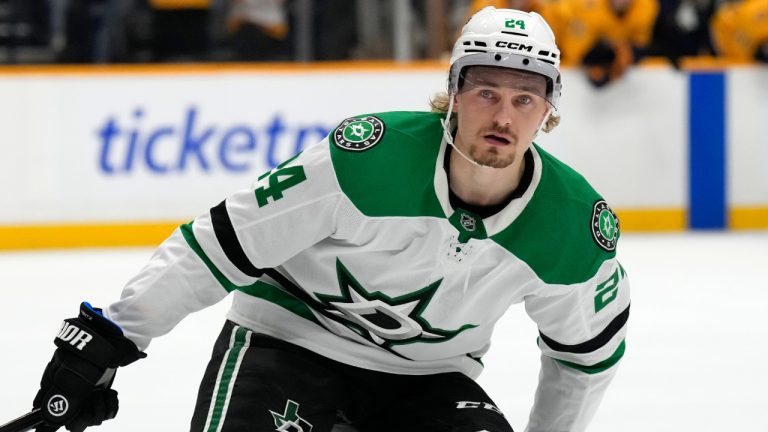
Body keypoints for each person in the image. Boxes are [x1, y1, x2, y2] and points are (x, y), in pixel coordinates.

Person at [30, 7, 630, 432]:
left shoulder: (573, 226)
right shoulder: (367, 160)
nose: (503, 116)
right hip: (289, 342)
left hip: (431, 380)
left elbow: (585, 358)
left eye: (525, 99)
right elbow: (222, 243)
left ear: (548, 111)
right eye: (486, 92)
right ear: (453, 92)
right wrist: (108, 340)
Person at [540, 0, 659, 86]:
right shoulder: (585, 6)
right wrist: (597, 62)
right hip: (554, 49)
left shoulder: (646, 6)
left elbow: (640, 42)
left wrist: (626, 54)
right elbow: (577, 51)